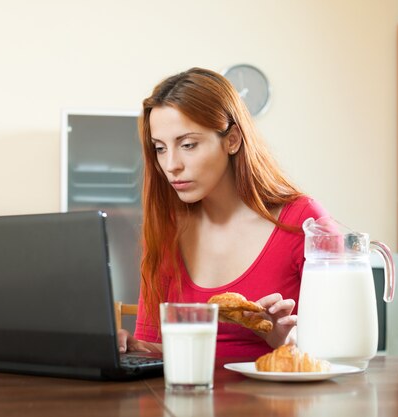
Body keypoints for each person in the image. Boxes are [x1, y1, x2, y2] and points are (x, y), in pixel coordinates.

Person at [117, 67, 328, 358]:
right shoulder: (167, 228)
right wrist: (132, 347)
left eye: (188, 144)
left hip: (273, 403)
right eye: (160, 148)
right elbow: (158, 350)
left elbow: (342, 347)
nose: (171, 164)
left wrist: (288, 340)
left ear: (232, 140)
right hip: (186, 401)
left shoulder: (304, 223)